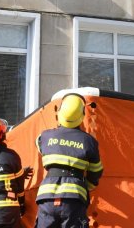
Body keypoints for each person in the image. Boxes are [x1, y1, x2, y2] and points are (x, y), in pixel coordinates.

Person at [35, 93, 103, 228]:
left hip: (46, 197)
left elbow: (40, 147)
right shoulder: (89, 141)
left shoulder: (45, 136)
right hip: (74, 199)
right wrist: (86, 186)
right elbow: (96, 172)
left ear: (59, 113)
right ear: (82, 116)